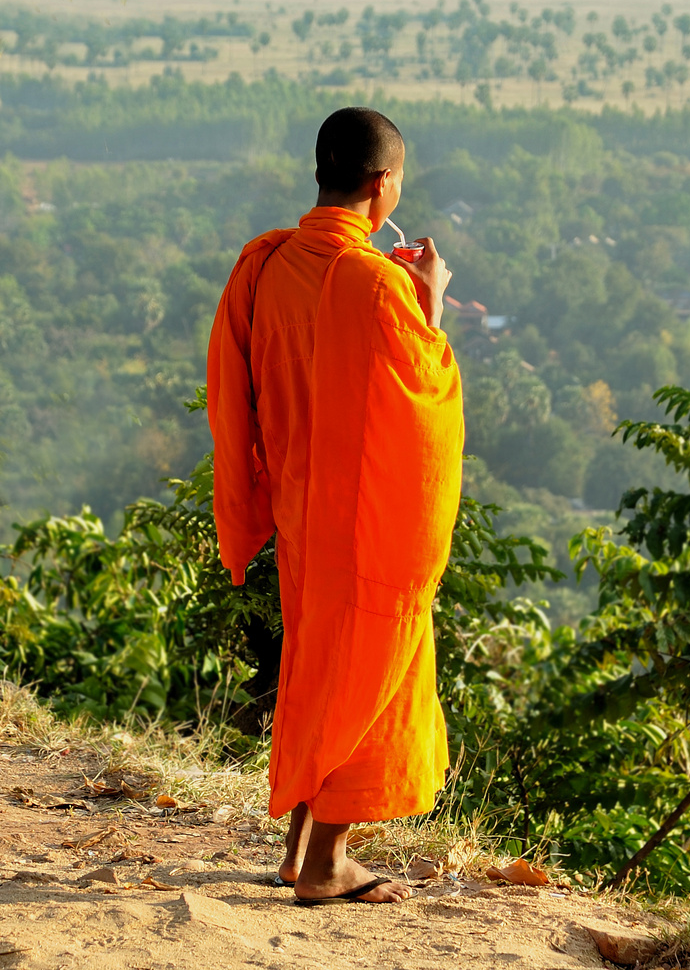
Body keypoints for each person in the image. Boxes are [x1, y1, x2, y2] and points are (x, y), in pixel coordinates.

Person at [207, 107, 462, 905]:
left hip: (298, 506)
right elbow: (418, 406)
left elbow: (238, 392)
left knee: (320, 668)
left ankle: (297, 850)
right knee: (365, 672)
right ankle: (326, 866)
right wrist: (431, 302)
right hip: (359, 518)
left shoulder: (269, 263)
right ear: (384, 182)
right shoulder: (376, 281)